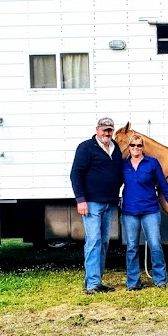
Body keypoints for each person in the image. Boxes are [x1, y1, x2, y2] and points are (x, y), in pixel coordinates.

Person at [121, 134, 168, 290]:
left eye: (139, 145)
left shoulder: (152, 163)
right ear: (129, 147)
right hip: (130, 211)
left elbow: (163, 185)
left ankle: (160, 280)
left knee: (155, 245)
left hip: (150, 210)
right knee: (131, 247)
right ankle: (133, 283)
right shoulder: (123, 165)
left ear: (143, 147)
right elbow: (113, 183)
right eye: (133, 145)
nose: (136, 148)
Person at [70, 117, 124, 294]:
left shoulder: (116, 149)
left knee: (104, 242)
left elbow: (120, 174)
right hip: (91, 203)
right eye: (104, 130)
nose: (107, 133)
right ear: (97, 129)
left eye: (109, 130)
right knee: (94, 241)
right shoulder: (86, 147)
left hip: (110, 202)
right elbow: (76, 174)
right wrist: (81, 199)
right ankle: (92, 284)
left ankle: (96, 281)